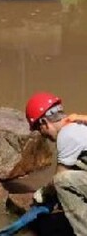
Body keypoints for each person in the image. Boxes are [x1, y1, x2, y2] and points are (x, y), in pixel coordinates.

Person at [25, 92, 87, 236]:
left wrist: (43, 193)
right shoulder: (79, 124)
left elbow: (59, 177)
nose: (42, 135)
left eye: (38, 129)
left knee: (61, 182)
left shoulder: (67, 134)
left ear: (44, 123)